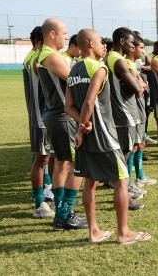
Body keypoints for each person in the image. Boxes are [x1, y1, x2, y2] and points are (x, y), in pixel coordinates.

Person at [65, 28, 151, 244]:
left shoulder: (73, 69)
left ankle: (94, 231)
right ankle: (124, 233)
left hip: (85, 135)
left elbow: (68, 106)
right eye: (100, 41)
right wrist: (84, 126)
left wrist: (81, 129)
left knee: (90, 181)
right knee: (122, 179)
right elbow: (89, 102)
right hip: (104, 135)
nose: (104, 44)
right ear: (91, 44)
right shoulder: (99, 68)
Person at [36, 18, 88, 231]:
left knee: (62, 163)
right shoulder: (50, 56)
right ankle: (64, 215)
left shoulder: (51, 55)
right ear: (51, 34)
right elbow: (74, 81)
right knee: (75, 165)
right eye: (64, 33)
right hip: (62, 116)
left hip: (56, 115)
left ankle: (62, 214)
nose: (67, 37)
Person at [106, 27, 147, 209]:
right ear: (122, 42)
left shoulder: (114, 58)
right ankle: (123, 197)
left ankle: (125, 192)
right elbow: (138, 89)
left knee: (124, 154)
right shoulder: (117, 60)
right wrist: (139, 84)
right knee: (122, 157)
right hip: (123, 114)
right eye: (131, 43)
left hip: (122, 114)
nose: (133, 46)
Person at [23, 26, 55, 218]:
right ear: (40, 39)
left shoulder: (33, 57)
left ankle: (50, 192)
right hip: (41, 117)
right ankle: (39, 204)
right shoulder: (37, 58)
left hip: (43, 116)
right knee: (41, 159)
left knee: (48, 158)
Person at [127, 34, 156, 188]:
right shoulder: (127, 64)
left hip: (140, 108)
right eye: (142, 48)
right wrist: (143, 83)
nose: (144, 51)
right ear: (132, 48)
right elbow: (139, 89)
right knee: (133, 146)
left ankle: (139, 176)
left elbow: (141, 84)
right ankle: (130, 183)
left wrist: (142, 83)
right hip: (132, 110)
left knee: (140, 143)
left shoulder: (135, 64)